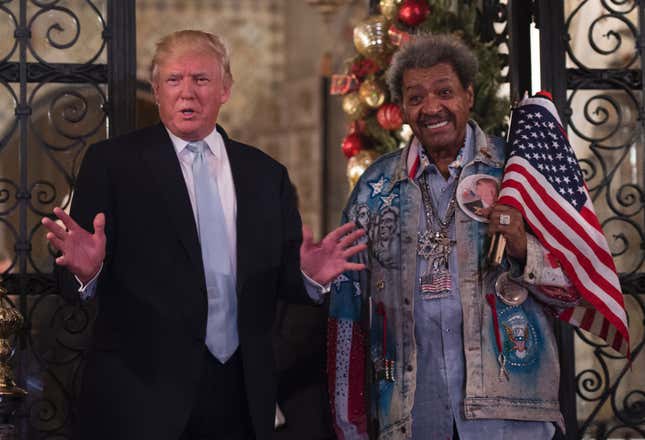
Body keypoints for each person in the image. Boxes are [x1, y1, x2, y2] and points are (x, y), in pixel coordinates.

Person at [42, 30, 365, 440]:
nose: (186, 93)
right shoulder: (111, 164)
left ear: (225, 89)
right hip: (141, 396)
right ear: (157, 90)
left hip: (240, 397)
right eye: (174, 80)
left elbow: (282, 282)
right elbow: (73, 282)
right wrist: (86, 272)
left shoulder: (266, 175)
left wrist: (310, 277)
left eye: (201, 79)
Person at [327, 34, 578, 440]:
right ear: (403, 109)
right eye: (415, 97)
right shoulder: (375, 189)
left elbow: (576, 289)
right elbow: (346, 310)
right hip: (411, 416)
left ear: (469, 96)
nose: (431, 108)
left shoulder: (517, 175)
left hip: (512, 413)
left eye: (444, 92)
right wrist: (348, 424)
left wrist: (521, 247)